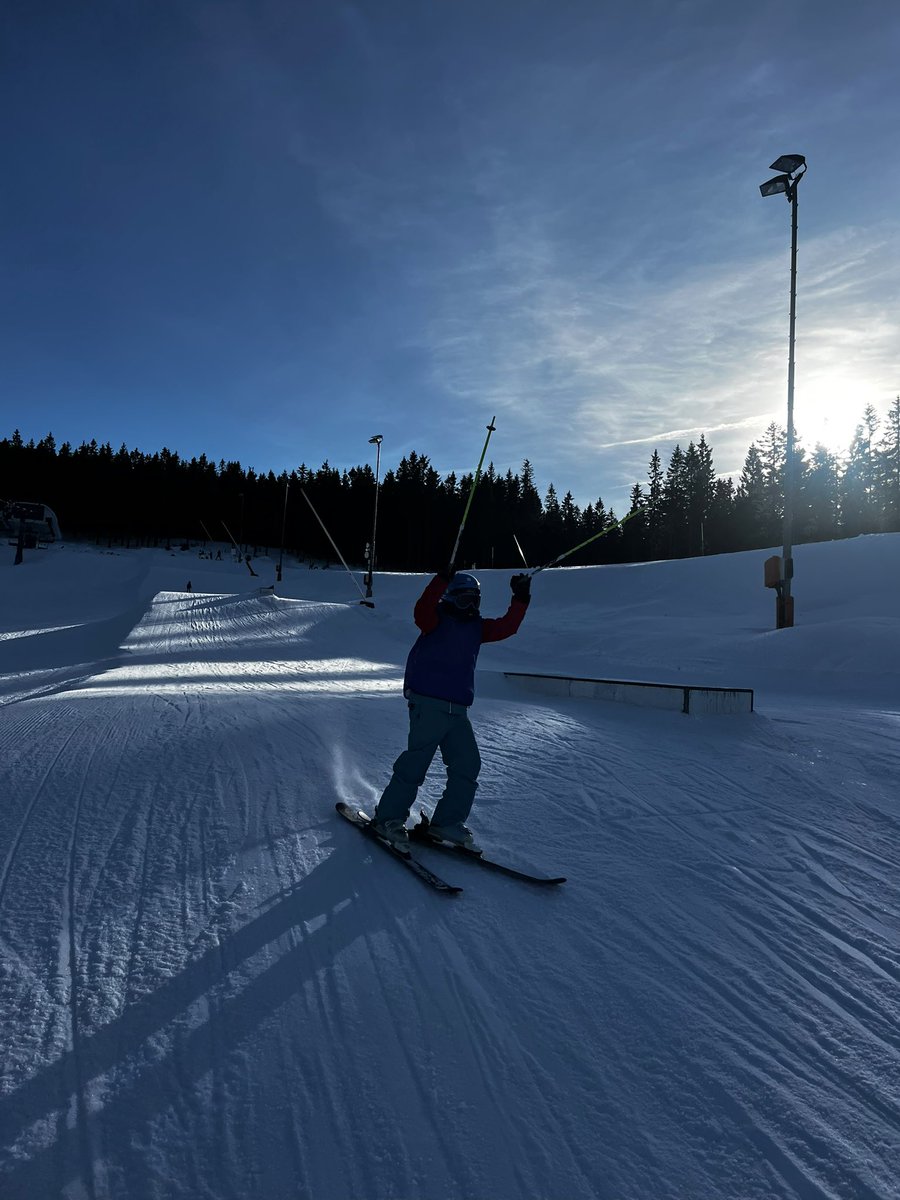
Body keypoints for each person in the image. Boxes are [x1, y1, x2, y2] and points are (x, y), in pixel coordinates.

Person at [371, 569, 532, 852]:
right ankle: (388, 818)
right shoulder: (434, 620)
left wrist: (520, 598)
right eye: (463, 600)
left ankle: (447, 821)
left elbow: (508, 626)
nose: (469, 606)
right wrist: (441, 579)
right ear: (448, 598)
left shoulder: (477, 628)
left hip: (458, 710)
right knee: (415, 765)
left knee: (467, 765)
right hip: (428, 704)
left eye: (474, 601)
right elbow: (421, 609)